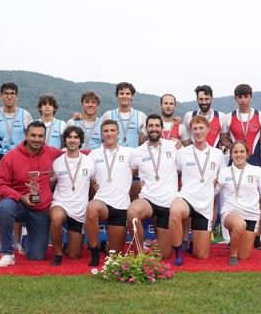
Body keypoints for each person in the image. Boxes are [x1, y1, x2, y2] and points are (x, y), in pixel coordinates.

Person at [0, 121, 64, 266]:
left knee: (37, 256)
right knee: (5, 206)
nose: (36, 139)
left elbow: (72, 154)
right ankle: (7, 253)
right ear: (26, 135)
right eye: (33, 135)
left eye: (40, 136)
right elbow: (0, 184)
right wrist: (20, 197)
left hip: (40, 210)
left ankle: (26, 239)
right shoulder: (10, 157)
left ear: (45, 137)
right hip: (19, 205)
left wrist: (98, 154)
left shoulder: (51, 152)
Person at [169, 116, 226, 266]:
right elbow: (172, 174)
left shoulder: (218, 154)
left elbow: (224, 177)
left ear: (208, 130)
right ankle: (178, 252)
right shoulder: (182, 153)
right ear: (190, 131)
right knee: (175, 211)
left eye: (201, 128)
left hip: (205, 205)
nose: (198, 131)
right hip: (186, 198)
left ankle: (194, 244)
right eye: (195, 129)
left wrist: (218, 182)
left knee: (202, 256)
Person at [127, 114, 178, 260]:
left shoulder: (173, 146)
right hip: (148, 200)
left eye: (157, 126)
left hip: (168, 204)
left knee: (164, 256)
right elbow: (128, 176)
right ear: (146, 129)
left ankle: (158, 246)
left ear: (162, 128)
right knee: (132, 212)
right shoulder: (137, 152)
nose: (154, 129)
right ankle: (140, 252)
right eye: (150, 126)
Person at [222, 84, 261, 250]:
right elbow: (224, 138)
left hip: (254, 159)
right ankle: (232, 236)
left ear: (251, 97)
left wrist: (257, 144)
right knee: (233, 197)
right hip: (236, 159)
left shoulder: (260, 116)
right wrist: (234, 148)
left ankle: (256, 237)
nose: (243, 100)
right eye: (240, 97)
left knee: (258, 199)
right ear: (236, 99)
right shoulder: (229, 117)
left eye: (246, 96)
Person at [215, 141, 261, 265]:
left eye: (241, 152)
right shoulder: (224, 171)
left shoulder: (257, 171)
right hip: (230, 212)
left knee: (244, 256)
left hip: (251, 215)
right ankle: (233, 255)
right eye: (235, 152)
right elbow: (214, 192)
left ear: (247, 154)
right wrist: (209, 183)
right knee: (239, 225)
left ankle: (236, 243)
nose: (238, 155)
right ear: (230, 155)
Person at [86, 119, 133, 266]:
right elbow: (85, 174)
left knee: (115, 257)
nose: (109, 134)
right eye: (106, 131)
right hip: (102, 202)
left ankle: (104, 246)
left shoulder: (129, 152)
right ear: (101, 134)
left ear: (118, 133)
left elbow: (148, 161)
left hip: (121, 205)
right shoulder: (94, 154)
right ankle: (94, 253)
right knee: (92, 207)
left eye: (112, 130)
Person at [49, 126, 95, 266]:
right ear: (65, 140)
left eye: (76, 137)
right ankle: (58, 254)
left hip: (79, 210)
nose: (72, 140)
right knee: (56, 217)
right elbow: (50, 187)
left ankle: (68, 246)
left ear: (80, 140)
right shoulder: (57, 162)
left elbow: (93, 187)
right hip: (61, 204)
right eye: (69, 137)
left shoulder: (89, 161)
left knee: (74, 256)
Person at [0, 82, 33, 253]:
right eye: (6, 93)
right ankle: (1, 241)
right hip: (0, 159)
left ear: (17, 96)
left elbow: (31, 139)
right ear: (1, 96)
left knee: (18, 197)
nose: (9, 96)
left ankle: (18, 241)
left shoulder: (25, 115)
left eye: (12, 93)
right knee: (1, 200)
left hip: (20, 160)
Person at [100, 82, 147, 202]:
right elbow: (101, 134)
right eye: (121, 93)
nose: (124, 96)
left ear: (132, 96)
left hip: (132, 162)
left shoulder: (141, 116)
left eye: (127, 93)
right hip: (112, 162)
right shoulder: (108, 114)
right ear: (117, 96)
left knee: (133, 200)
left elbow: (145, 138)